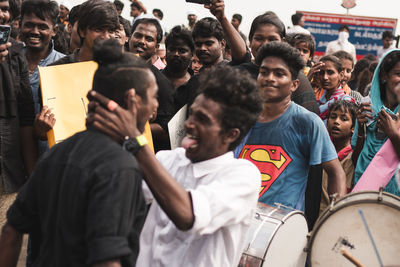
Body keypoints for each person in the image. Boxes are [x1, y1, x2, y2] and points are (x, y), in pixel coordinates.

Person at [86, 64, 263, 266]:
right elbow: (114, 193)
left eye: (202, 119)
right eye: (192, 114)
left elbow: (187, 215)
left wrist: (136, 140)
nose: (189, 124)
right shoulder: (169, 159)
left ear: (231, 134)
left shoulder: (243, 176)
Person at [0, 39, 150, 267]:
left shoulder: (55, 154)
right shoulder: (120, 166)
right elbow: (107, 260)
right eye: (154, 96)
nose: (156, 106)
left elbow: (11, 231)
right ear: (133, 100)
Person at [235, 42, 346, 211]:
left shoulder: (308, 123)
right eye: (264, 72)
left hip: (281, 229)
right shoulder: (240, 118)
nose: (269, 78)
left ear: (294, 85)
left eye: (279, 74)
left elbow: (336, 172)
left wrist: (335, 217)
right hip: (236, 219)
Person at [0, 0, 36, 228]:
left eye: (4, 8)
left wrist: (32, 174)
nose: (0, 14)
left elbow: (25, 117)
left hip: (8, 170)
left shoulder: (16, 52)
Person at [352, 49, 400, 196]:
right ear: (384, 75)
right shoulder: (367, 105)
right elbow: (355, 157)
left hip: (395, 188)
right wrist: (360, 128)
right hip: (364, 180)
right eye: (398, 74)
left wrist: (392, 133)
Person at [20, 0, 64, 154]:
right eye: (29, 25)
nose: (34, 31)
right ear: (20, 25)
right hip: (11, 156)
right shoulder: (7, 61)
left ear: (55, 30)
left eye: (43, 26)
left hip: (50, 156)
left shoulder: (64, 66)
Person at [51, 0, 119, 64]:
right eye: (99, 30)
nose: (106, 37)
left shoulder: (121, 69)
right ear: (82, 31)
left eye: (111, 31)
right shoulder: (57, 69)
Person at [320, 100, 357, 213]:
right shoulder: (320, 152)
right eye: (333, 117)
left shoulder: (353, 157)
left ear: (353, 128)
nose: (336, 122)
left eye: (344, 119)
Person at [311, 54, 355, 123]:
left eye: (330, 72)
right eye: (321, 73)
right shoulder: (318, 100)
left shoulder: (346, 101)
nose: (325, 77)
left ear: (341, 75)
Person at [162, 25, 194, 90]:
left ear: (192, 54)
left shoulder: (197, 85)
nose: (176, 54)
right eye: (172, 50)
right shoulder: (154, 79)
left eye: (182, 51)